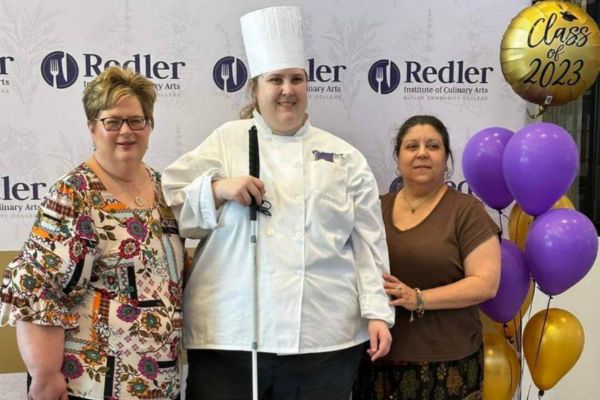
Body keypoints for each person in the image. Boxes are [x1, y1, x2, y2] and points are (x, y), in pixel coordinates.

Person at [161, 6, 394, 400]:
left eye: (296, 79)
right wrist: (216, 188)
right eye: (275, 79)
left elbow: (368, 245)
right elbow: (169, 204)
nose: (287, 90)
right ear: (256, 89)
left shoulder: (345, 157)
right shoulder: (227, 139)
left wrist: (377, 313)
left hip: (324, 339)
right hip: (231, 336)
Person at [0, 66, 185, 400]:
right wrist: (44, 375)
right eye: (112, 121)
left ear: (149, 125)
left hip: (160, 385)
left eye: (136, 120)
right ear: (92, 128)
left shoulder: (164, 189)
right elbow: (36, 286)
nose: (125, 131)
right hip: (86, 386)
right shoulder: (74, 194)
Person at [353, 115, 501, 400]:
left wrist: (418, 298)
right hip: (378, 359)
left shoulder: (466, 211)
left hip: (448, 364)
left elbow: (486, 284)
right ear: (397, 158)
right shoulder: (374, 209)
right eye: (412, 146)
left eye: (432, 146)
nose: (422, 153)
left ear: (446, 159)